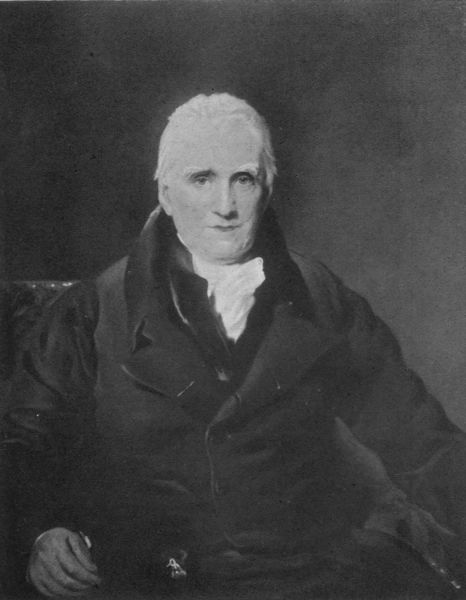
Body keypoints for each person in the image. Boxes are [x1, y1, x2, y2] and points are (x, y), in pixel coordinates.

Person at [4, 93, 466, 599]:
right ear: (165, 193)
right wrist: (40, 532)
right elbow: (22, 444)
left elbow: (419, 440)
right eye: (201, 179)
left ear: (268, 189)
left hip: (300, 578)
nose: (224, 206)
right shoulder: (91, 311)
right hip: (140, 579)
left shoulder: (323, 299)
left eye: (243, 179)